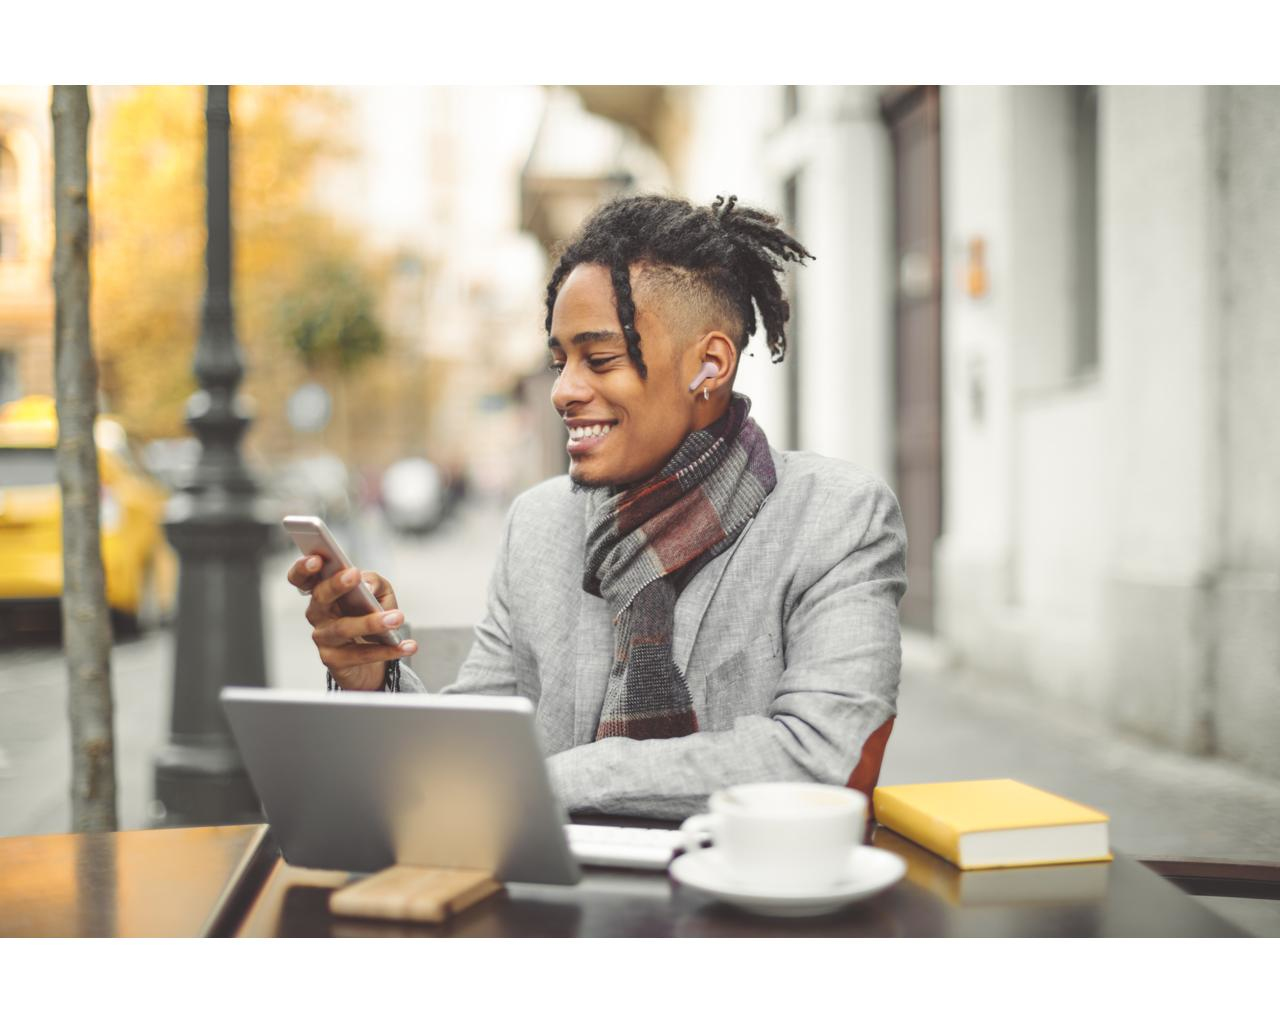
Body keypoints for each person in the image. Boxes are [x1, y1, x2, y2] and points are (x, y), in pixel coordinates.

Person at [288, 193, 907, 820]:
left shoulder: (836, 517)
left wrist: (564, 777)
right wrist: (373, 681)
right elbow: (471, 757)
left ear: (709, 365)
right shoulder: (538, 524)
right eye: (559, 362)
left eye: (600, 359)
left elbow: (826, 759)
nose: (563, 391)